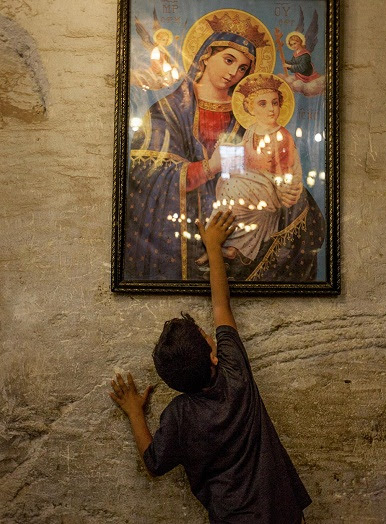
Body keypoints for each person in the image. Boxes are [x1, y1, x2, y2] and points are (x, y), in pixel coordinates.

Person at [110, 209, 312, 523]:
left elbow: (154, 463)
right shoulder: (235, 375)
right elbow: (220, 305)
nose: (212, 335)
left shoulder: (179, 415)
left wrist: (134, 410)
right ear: (214, 357)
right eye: (208, 337)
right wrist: (214, 247)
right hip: (281, 510)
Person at [124, 10, 275, 281]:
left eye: (243, 68)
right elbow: (146, 177)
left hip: (235, 215)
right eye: (229, 60)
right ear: (206, 55)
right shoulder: (167, 111)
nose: (234, 72)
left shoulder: (248, 118)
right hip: (181, 226)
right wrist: (209, 167)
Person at [196, 73, 304, 265]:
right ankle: (223, 248)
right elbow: (244, 159)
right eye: (263, 104)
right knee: (228, 186)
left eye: (275, 103)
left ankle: (215, 245)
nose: (271, 109)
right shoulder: (251, 131)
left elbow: (285, 175)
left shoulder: (282, 136)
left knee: (232, 187)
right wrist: (226, 149)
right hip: (251, 183)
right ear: (250, 108)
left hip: (271, 189)